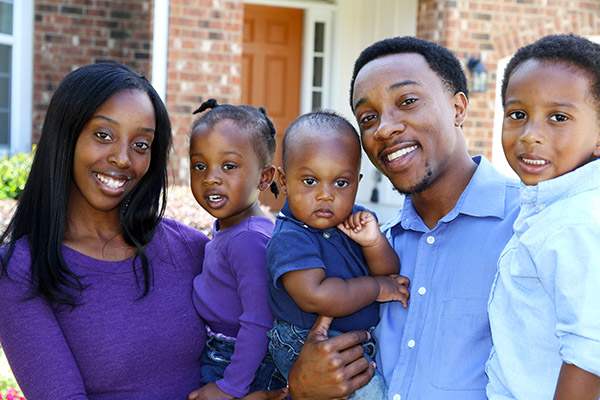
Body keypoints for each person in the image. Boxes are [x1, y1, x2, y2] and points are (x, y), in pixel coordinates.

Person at [0, 63, 288, 400]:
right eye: (103, 135)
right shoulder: (22, 269)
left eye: (141, 144)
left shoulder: (193, 249)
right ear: (66, 136)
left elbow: (272, 337)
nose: (123, 159)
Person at [287, 36, 520, 400]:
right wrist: (300, 388)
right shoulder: (370, 244)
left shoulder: (528, 226)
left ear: (459, 107)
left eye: (407, 101)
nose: (383, 128)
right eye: (368, 117)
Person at [486, 33, 600, 400]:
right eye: (517, 114)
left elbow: (589, 355)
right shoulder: (549, 208)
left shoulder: (575, 223)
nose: (531, 135)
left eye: (558, 117)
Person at [266, 111, 410, 399]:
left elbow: (390, 272)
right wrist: (378, 288)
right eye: (310, 181)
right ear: (283, 181)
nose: (325, 195)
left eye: (340, 183)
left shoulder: (353, 220)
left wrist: (373, 243)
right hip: (306, 343)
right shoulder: (291, 237)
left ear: (356, 183)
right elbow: (317, 296)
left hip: (349, 341)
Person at [187, 99, 285, 399]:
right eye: (199, 166)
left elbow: (259, 320)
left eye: (229, 166)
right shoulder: (232, 228)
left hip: (237, 362)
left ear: (264, 177)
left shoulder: (248, 239)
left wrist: (230, 388)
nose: (211, 177)